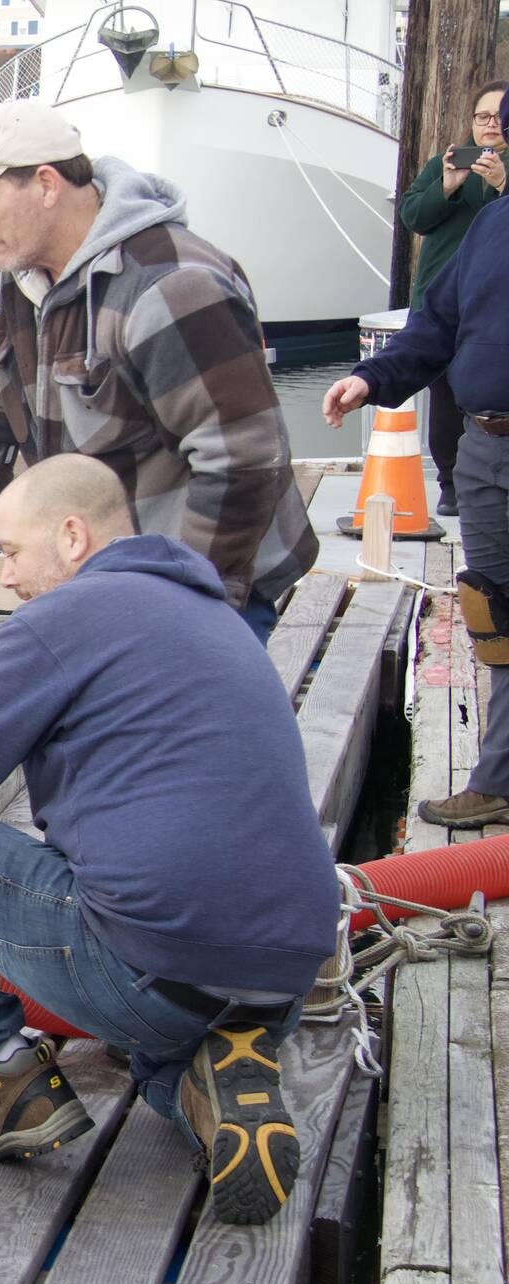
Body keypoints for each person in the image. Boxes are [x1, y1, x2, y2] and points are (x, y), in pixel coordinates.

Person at [0, 455, 337, 1226]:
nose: (7, 578)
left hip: (145, 969)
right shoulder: (210, 613)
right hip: (280, 981)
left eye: (11, 552)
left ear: (71, 536)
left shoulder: (65, 618)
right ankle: (218, 1074)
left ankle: (1, 1073)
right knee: (162, 1059)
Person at [0, 101, 318, 644]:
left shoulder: (173, 285)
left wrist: (183, 609)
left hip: (210, 578)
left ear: (46, 184)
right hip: (97, 579)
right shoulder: (1, 275)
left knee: (179, 730)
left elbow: (243, 461)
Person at [325, 182, 509, 829]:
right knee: (496, 613)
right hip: (485, 446)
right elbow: (435, 324)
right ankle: (501, 780)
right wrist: (371, 378)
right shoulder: (490, 227)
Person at [395, 80, 506, 517]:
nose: (491, 125)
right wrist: (446, 184)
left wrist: (503, 183)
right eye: (483, 116)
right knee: (442, 395)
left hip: (494, 304)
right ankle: (450, 482)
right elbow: (413, 216)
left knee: (485, 389)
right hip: (443, 298)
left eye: (499, 116)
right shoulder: (442, 163)